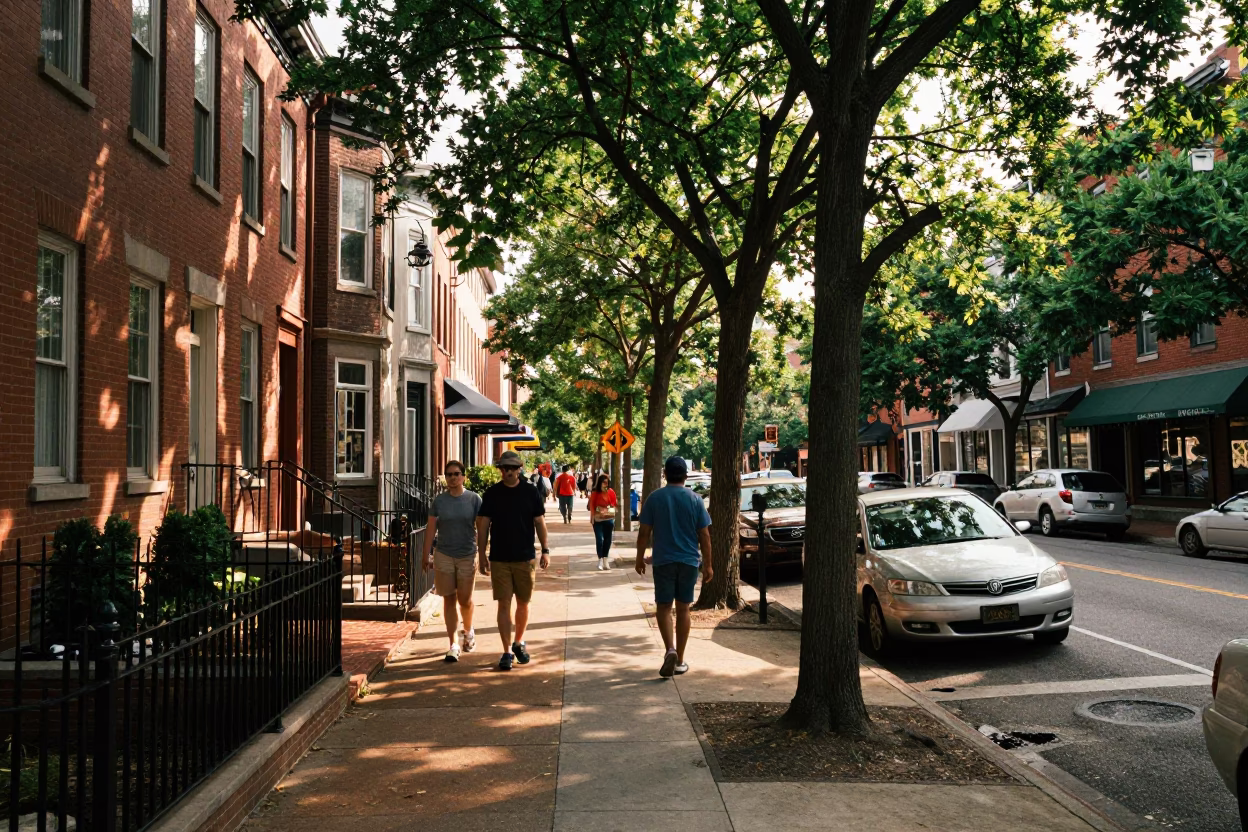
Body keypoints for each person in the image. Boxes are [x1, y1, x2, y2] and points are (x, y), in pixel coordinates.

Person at [635, 456, 713, 678]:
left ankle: (669, 648)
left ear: (665, 474)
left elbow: (644, 533)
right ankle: (679, 659)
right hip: (689, 562)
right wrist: (708, 565)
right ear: (686, 475)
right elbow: (705, 535)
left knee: (663, 607)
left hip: (663, 561)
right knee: (683, 608)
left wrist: (639, 558)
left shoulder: (654, 498)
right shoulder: (696, 499)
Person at [476, 450, 550, 671]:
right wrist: (481, 554)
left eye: (511, 468)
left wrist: (545, 550)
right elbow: (483, 525)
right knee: (503, 603)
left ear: (519, 470)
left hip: (525, 557)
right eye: (504, 468)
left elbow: (539, 522)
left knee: (524, 602)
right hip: (499, 558)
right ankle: (507, 650)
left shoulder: (530, 492)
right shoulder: (492, 493)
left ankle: (519, 641)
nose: (507, 472)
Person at [421, 460, 482, 662]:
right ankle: (453, 644)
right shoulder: (439, 501)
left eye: (456, 474)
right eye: (449, 475)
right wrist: (426, 554)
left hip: (467, 554)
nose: (453, 478)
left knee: (465, 599)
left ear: (463, 476)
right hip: (444, 554)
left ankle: (469, 628)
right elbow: (431, 528)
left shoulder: (474, 499)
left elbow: (482, 529)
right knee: (448, 598)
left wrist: (483, 555)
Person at [588, 473, 617, 571]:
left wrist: (607, 507)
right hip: (598, 519)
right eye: (604, 482)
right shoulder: (595, 493)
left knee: (608, 540)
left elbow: (613, 503)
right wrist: (592, 517)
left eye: (607, 483)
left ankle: (605, 559)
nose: (605, 484)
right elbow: (592, 505)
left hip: (608, 518)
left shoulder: (611, 492)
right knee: (599, 540)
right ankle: (600, 559)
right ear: (600, 483)